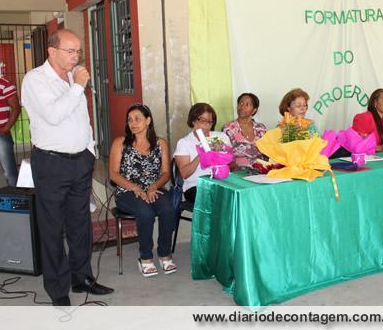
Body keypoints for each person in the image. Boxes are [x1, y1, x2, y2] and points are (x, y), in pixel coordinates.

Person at [21, 29, 113, 306]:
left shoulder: (74, 77)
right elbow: (53, 115)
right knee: (52, 226)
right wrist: (77, 87)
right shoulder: (35, 80)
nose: (76, 56)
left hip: (80, 161)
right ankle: (58, 289)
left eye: (78, 51)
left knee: (80, 223)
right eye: (70, 51)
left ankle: (81, 277)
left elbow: (81, 119)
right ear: (52, 51)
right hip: (51, 162)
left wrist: (89, 150)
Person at [109, 104, 176, 277]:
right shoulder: (120, 143)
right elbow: (113, 174)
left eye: (137, 119)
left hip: (153, 188)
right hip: (127, 191)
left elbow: (166, 173)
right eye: (130, 120)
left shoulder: (160, 143)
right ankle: (145, 257)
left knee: (168, 208)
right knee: (145, 212)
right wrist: (136, 188)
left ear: (148, 120)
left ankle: (165, 254)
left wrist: (153, 187)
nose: (133, 123)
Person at [174, 103, 231, 209]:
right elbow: (184, 174)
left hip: (220, 181)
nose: (206, 125)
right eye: (202, 121)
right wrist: (201, 155)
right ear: (193, 121)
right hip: (196, 185)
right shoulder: (184, 142)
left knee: (237, 197)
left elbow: (232, 163)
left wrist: (222, 153)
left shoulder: (221, 137)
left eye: (209, 121)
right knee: (217, 202)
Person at [0, 53, 20, 190]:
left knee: (10, 172)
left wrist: (7, 127)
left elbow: (16, 108)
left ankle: (17, 200)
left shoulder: (4, 85)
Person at [222, 93, 267, 169]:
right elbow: (225, 153)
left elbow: (267, 151)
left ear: (254, 110)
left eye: (247, 104)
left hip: (260, 169)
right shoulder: (228, 128)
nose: (242, 107)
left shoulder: (261, 128)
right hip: (238, 170)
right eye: (241, 103)